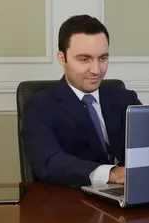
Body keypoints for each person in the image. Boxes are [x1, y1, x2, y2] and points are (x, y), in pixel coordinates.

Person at [21, 14, 142, 187]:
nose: (96, 70)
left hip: (130, 198)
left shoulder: (125, 98)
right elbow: (48, 162)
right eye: (84, 59)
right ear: (62, 58)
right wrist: (111, 174)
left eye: (103, 58)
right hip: (72, 204)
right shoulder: (39, 105)